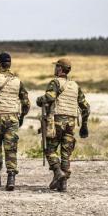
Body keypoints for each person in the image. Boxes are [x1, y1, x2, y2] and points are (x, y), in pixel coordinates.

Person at [36, 58, 91, 192]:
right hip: (71, 123)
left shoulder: (55, 83)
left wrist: (39, 100)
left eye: (56, 67)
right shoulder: (75, 86)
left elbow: (49, 97)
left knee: (49, 148)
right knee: (66, 152)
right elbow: (86, 107)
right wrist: (84, 125)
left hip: (57, 121)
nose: (55, 69)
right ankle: (63, 184)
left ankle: (57, 172)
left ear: (60, 69)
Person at [0, 53, 30, 190]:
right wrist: (21, 117)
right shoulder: (18, 81)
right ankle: (11, 177)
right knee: (11, 149)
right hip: (13, 117)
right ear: (9, 64)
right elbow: (26, 103)